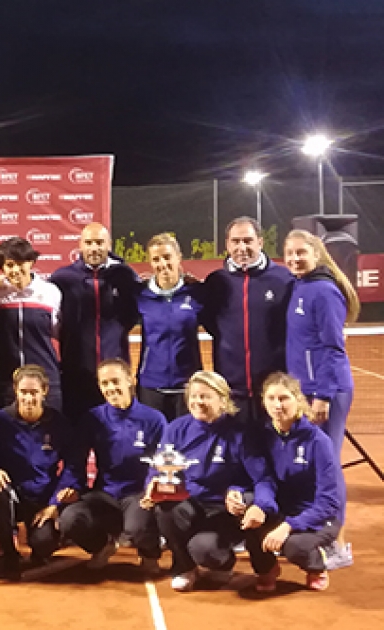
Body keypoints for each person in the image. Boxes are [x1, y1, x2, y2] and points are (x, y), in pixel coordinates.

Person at [144, 371, 277, 592]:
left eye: (205, 396)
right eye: (194, 396)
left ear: (223, 400)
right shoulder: (176, 429)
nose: (198, 402)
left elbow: (262, 478)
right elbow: (159, 466)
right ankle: (185, 567)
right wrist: (153, 484)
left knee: (205, 549)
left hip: (222, 511)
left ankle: (223, 564)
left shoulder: (240, 434)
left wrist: (248, 498)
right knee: (166, 509)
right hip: (189, 503)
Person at [284, 228, 359, 568]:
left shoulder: (324, 291)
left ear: (316, 254)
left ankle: (337, 546)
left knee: (327, 468)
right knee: (316, 465)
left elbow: (332, 348)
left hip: (325, 392)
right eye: (290, 253)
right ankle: (321, 534)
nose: (295, 258)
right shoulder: (301, 286)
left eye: (302, 252)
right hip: (309, 391)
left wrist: (323, 397)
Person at [59, 359, 166, 572]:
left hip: (138, 493)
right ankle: (102, 546)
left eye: (115, 381)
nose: (110, 388)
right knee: (69, 520)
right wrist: (71, 488)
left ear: (130, 380)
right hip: (104, 494)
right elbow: (76, 459)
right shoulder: (92, 418)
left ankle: (149, 552)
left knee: (136, 527)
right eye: (104, 383)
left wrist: (151, 488)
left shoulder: (153, 419)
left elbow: (162, 461)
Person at [244, 372, 345, 592]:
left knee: (295, 546)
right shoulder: (261, 436)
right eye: (271, 398)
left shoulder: (318, 441)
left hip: (317, 516)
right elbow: (263, 479)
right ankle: (266, 569)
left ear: (298, 400)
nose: (277, 405)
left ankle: (316, 565)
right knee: (249, 516)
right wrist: (261, 506)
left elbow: (328, 501)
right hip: (281, 510)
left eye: (284, 398)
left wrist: (289, 526)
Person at [0, 365, 83, 579]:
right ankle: (9, 551)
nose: (28, 398)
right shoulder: (0, 421)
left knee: (43, 545)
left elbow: (73, 465)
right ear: (16, 392)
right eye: (23, 392)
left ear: (44, 391)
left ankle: (45, 544)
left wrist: (55, 504)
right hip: (12, 495)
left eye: (34, 392)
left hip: (43, 498)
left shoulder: (59, 424)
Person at [201, 217, 294, 424]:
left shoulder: (284, 280)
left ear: (260, 242)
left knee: (274, 451)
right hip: (231, 389)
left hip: (273, 391)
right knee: (236, 451)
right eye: (235, 241)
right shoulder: (216, 282)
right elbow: (211, 324)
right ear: (227, 245)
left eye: (247, 241)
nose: (242, 247)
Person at [50, 222, 141, 417]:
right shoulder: (62, 278)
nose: (94, 248)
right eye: (89, 243)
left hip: (114, 374)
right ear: (80, 245)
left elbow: (135, 314)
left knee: (115, 436)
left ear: (109, 245)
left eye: (99, 242)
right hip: (76, 373)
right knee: (75, 439)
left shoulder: (125, 275)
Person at [0, 238, 62, 412]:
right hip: (5, 382)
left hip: (44, 379)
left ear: (32, 262)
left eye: (21, 263)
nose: (16, 270)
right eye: (10, 265)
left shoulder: (50, 292)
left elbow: (60, 333)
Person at [135, 233, 204, 420]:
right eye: (156, 259)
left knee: (185, 443)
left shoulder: (196, 293)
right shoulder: (141, 296)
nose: (162, 264)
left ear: (178, 257)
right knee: (154, 445)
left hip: (187, 385)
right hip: (151, 386)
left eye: (167, 257)